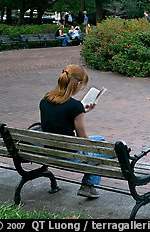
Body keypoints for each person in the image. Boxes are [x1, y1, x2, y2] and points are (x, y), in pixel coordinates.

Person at [39, 64, 104, 198]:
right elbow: (83, 139)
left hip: (48, 151)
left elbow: (59, 117)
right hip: (68, 155)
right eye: (82, 85)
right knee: (105, 150)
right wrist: (79, 111)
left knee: (100, 139)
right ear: (79, 83)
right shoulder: (75, 106)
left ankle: (89, 185)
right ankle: (88, 185)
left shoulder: (45, 100)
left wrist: (81, 111)